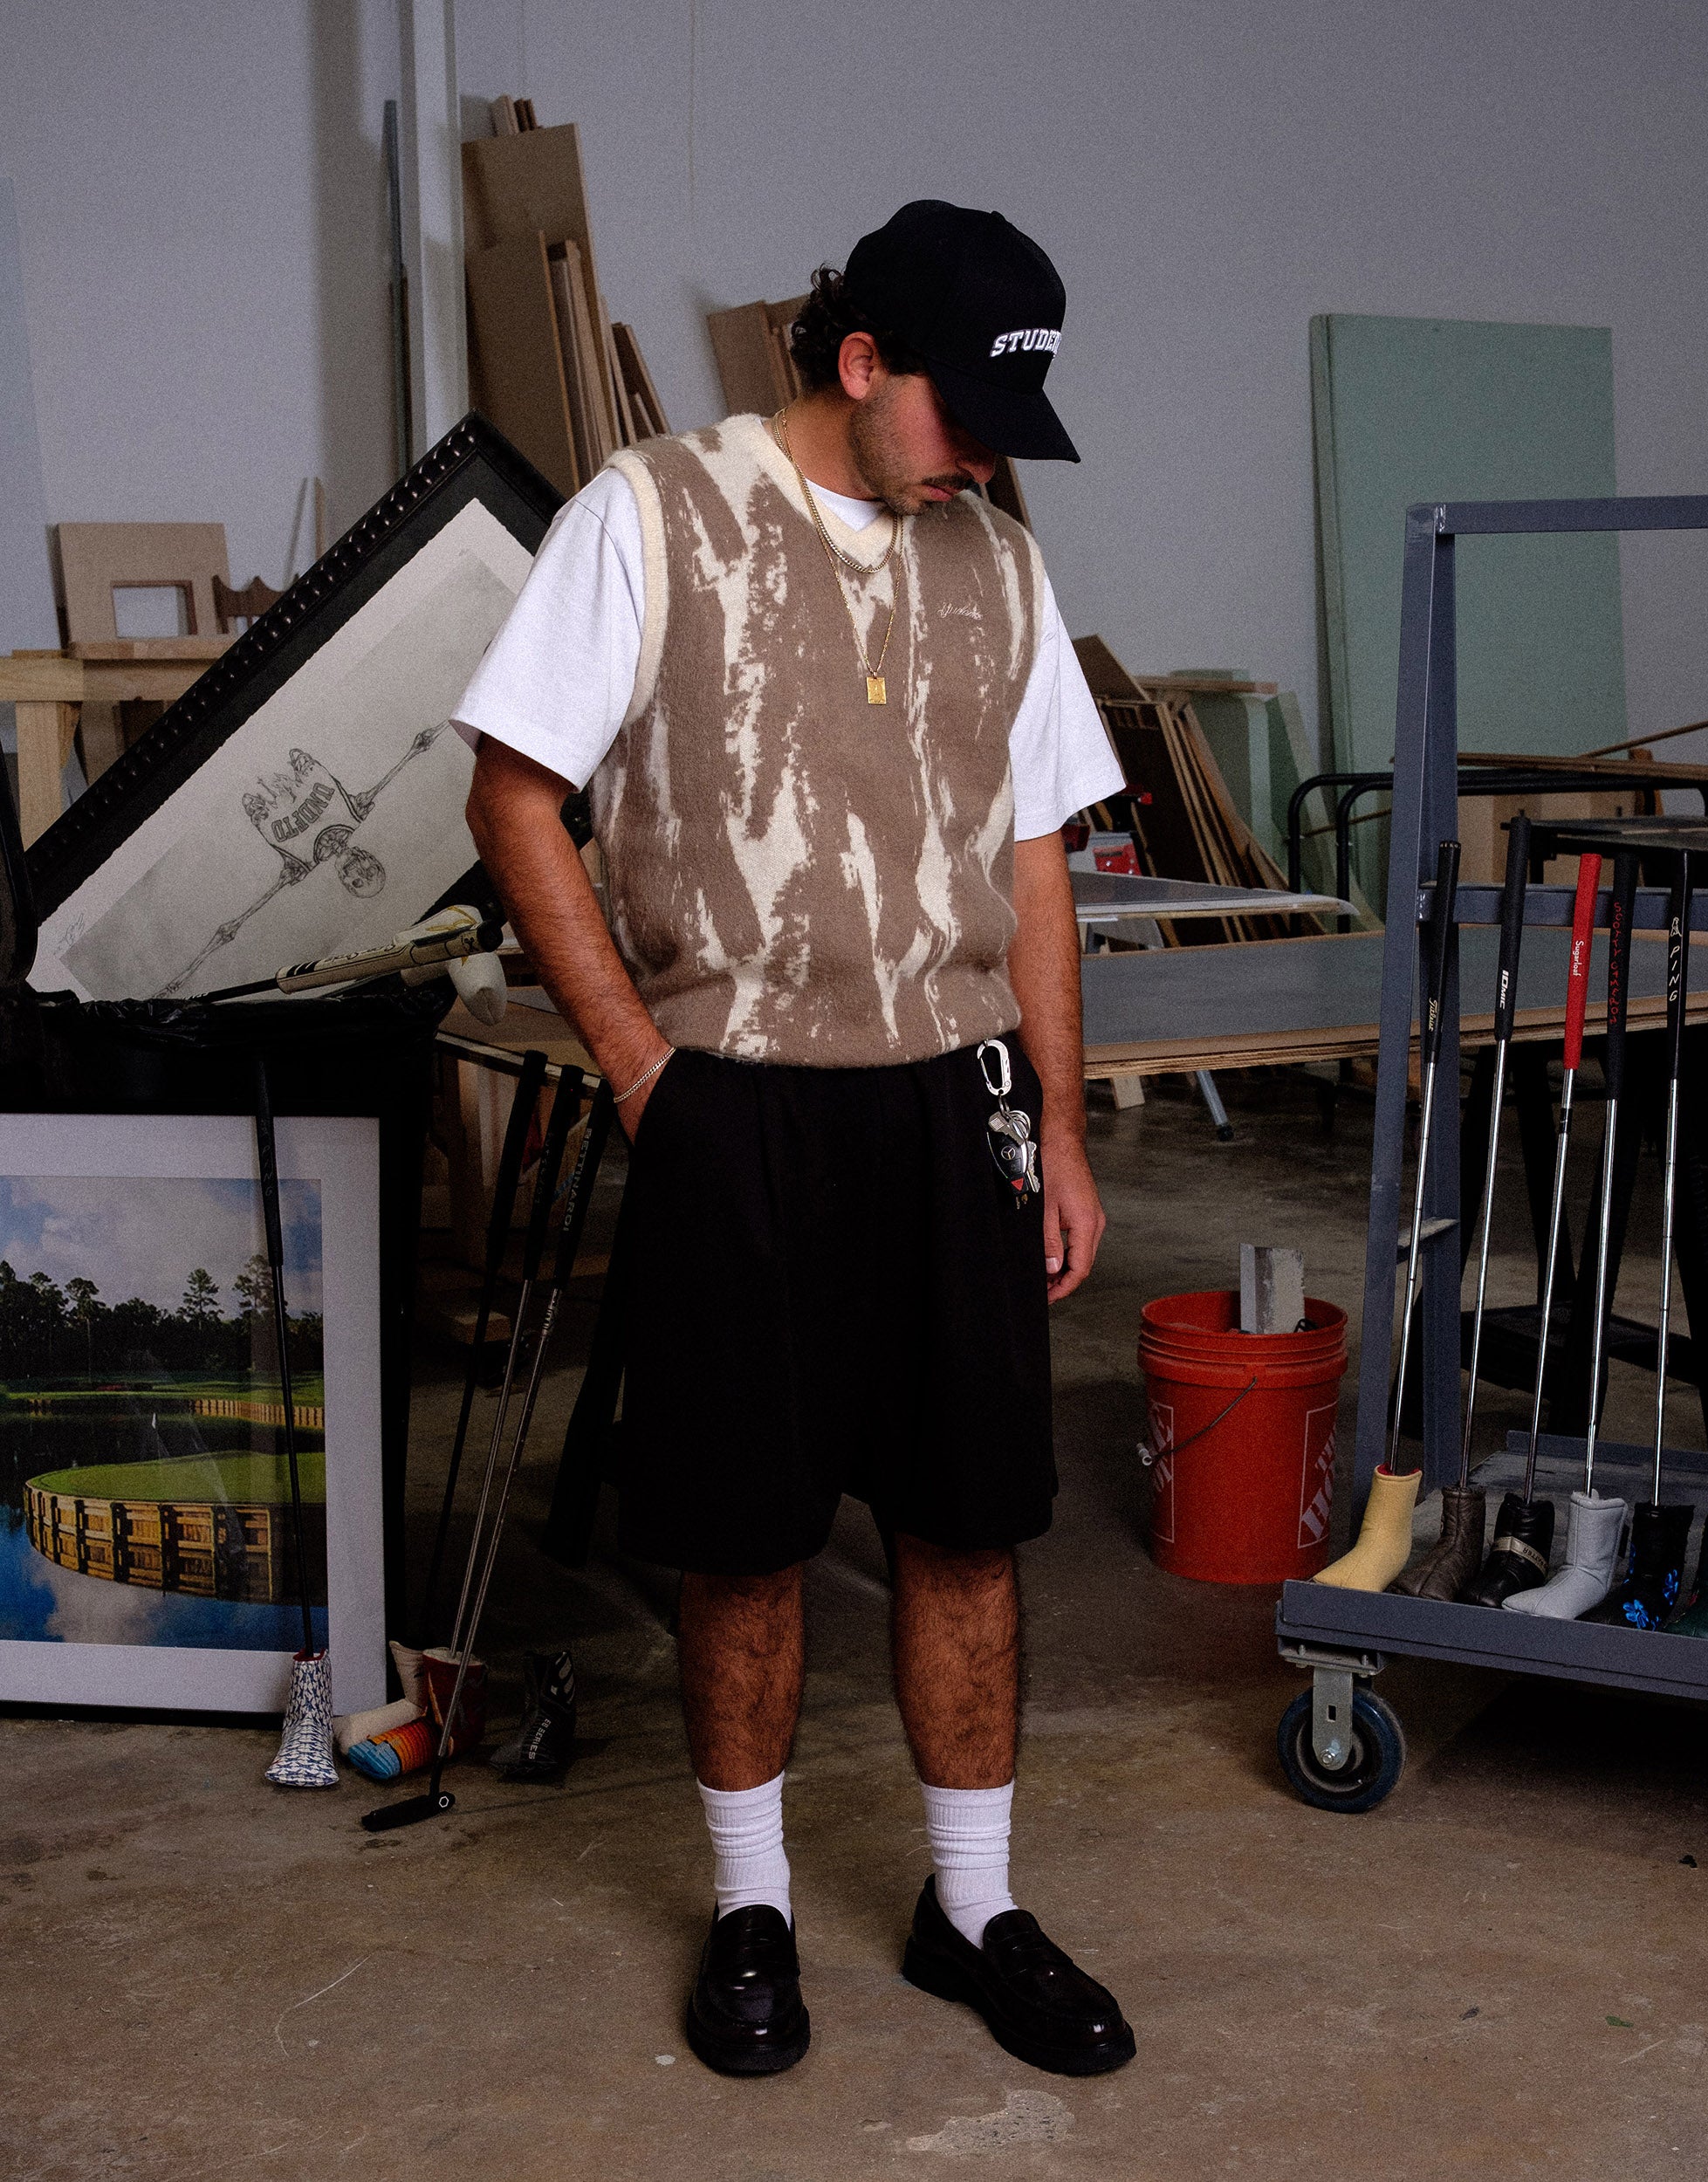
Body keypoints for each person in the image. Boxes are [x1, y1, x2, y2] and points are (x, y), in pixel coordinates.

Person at [456, 200, 1135, 2080]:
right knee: (743, 1536)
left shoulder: (994, 562)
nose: (991, 456)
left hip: (956, 1092)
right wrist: (645, 1068)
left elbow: (1033, 858)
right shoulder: (650, 513)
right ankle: (751, 1900)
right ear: (858, 362)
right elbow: (515, 792)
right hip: (735, 1092)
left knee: (968, 1516)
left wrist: (1060, 1125)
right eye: (966, 411)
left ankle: (971, 1904)